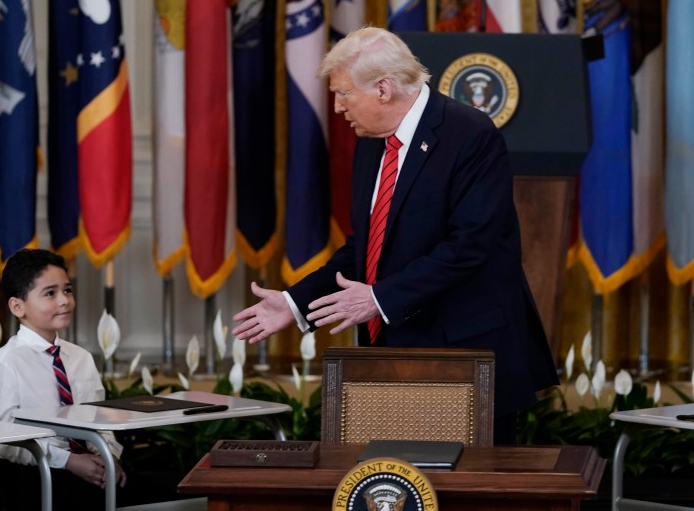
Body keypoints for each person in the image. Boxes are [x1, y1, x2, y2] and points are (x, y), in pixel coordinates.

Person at [233, 26, 559, 444]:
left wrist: (378, 298)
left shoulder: (470, 135)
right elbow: (366, 248)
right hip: (392, 356)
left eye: (344, 93)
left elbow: (470, 245)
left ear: (383, 88)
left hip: (464, 354)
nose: (337, 107)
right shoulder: (372, 142)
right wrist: (296, 302)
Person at [0, 249, 161, 510]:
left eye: (67, 290)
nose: (64, 300)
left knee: (164, 497)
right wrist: (68, 461)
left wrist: (109, 457)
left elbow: (99, 419)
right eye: (50, 293)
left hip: (91, 462)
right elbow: (3, 442)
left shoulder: (80, 357)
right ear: (17, 306)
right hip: (40, 472)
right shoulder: (6, 362)